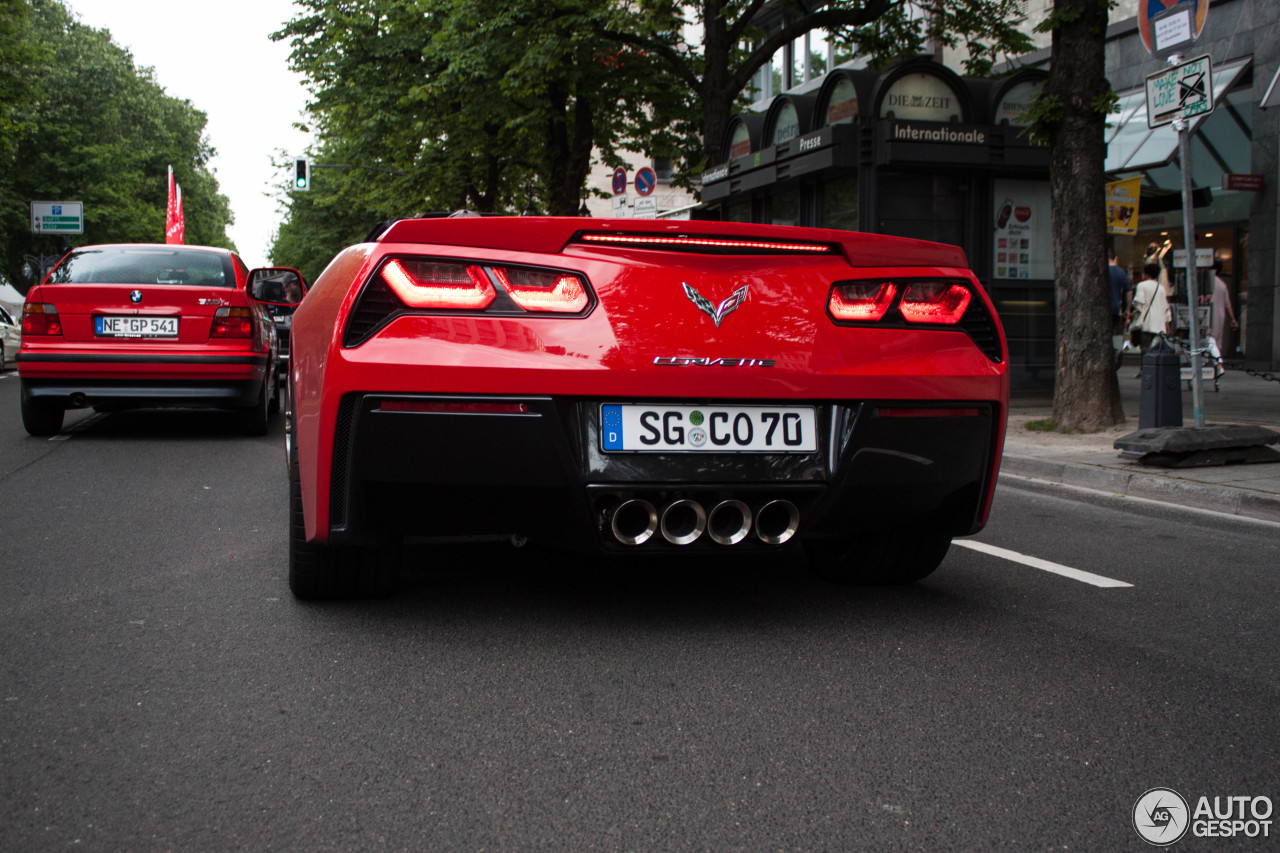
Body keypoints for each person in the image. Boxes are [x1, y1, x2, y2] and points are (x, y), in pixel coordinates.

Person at [1129, 262, 1170, 375]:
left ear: (1146, 273)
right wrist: (1167, 322)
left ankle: (1144, 368)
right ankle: (1152, 368)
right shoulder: (1161, 288)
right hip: (1159, 323)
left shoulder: (1142, 286)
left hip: (1146, 322)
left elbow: (1139, 304)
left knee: (1145, 348)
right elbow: (1166, 307)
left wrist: (1134, 316)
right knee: (1155, 348)